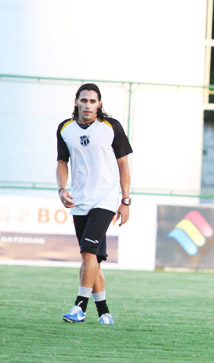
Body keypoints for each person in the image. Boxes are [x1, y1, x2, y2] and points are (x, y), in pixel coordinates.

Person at [57, 83, 133, 325]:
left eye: (92, 101)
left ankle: (79, 307)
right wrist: (62, 188)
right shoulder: (65, 129)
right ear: (76, 102)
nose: (88, 105)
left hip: (106, 199)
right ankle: (104, 313)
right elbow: (62, 162)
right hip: (80, 200)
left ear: (99, 104)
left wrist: (125, 201)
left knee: (88, 252)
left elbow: (123, 165)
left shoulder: (111, 126)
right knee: (93, 260)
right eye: (84, 100)